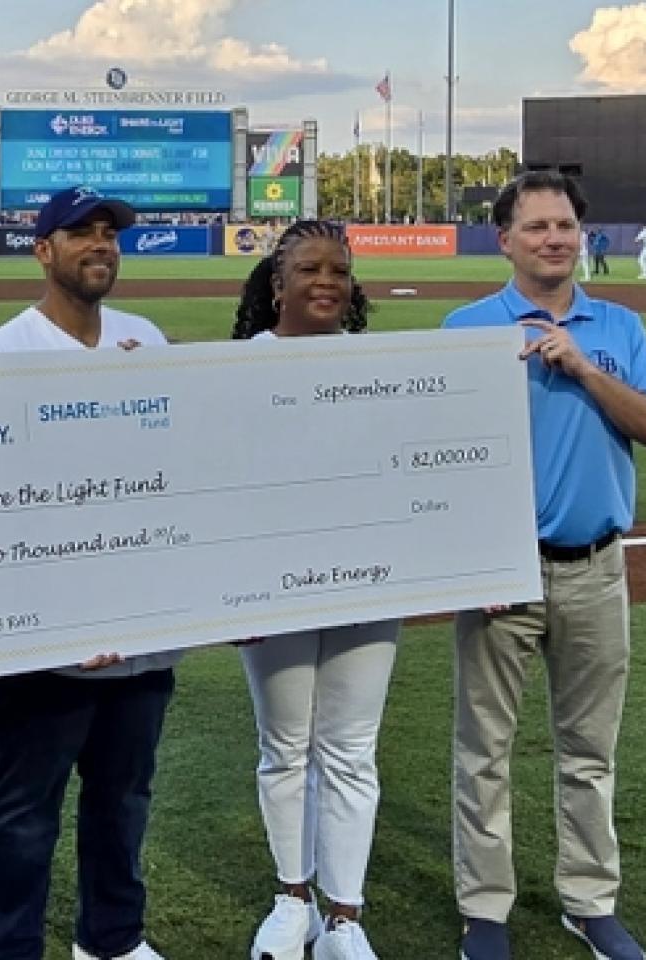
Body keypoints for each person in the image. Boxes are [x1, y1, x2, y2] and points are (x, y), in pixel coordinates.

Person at [443, 171, 646, 960]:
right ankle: (485, 908)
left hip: (597, 568)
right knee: (485, 751)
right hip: (500, 578)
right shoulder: (466, 329)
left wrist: (582, 365)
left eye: (566, 225)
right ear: (504, 239)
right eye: (537, 226)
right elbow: (433, 464)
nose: (554, 239)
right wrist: (469, 564)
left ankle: (589, 899)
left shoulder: (619, 327)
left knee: (589, 749)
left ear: (582, 235)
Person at [0, 185, 179, 960]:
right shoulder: (6, 353)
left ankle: (113, 939)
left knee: (124, 796)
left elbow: (178, 470)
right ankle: (12, 946)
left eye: (109, 234)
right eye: (80, 233)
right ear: (42, 250)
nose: (100, 245)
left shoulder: (145, 339)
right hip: (46, 634)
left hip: (143, 622)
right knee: (24, 806)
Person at [230, 221, 397, 960]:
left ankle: (345, 918)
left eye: (339, 270)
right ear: (278, 284)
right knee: (286, 747)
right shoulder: (237, 371)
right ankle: (291, 899)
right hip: (276, 591)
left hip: (367, 586)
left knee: (352, 750)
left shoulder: (381, 366)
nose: (326, 282)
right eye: (309, 270)